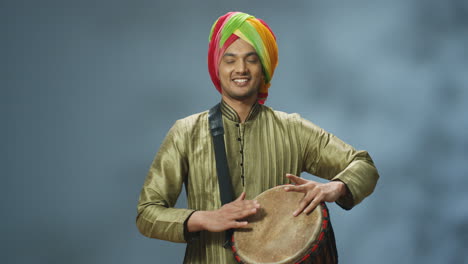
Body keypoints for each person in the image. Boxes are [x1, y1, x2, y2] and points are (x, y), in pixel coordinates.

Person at [136, 11, 379, 264]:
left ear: (263, 68)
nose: (240, 69)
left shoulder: (293, 129)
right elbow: (147, 214)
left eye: (251, 60)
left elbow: (365, 165)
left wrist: (333, 187)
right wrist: (205, 218)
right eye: (230, 60)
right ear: (217, 66)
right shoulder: (185, 132)